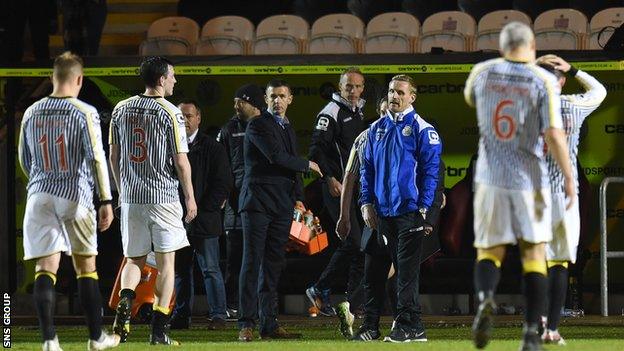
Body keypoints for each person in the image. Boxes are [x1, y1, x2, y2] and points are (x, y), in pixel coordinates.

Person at [464, 22, 575, 351]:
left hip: (490, 177)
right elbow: (554, 134)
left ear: (501, 46)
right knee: (533, 254)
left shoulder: (482, 72)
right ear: (532, 46)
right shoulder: (543, 80)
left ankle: (485, 299)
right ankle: (530, 334)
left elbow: (472, 99)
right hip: (530, 179)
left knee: (489, 251)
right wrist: (568, 176)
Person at [18, 51, 119, 350]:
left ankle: (49, 341)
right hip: (75, 195)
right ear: (79, 79)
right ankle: (96, 337)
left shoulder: (31, 112)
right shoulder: (84, 112)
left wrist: (39, 181)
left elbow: (25, 159)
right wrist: (105, 199)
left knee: (45, 268)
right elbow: (97, 159)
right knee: (85, 267)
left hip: (38, 194)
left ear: (52, 78)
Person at [109, 56, 197, 346]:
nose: (175, 80)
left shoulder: (120, 109)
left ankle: (125, 300)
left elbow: (115, 156)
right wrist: (190, 197)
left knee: (133, 259)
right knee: (166, 264)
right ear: (161, 79)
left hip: (132, 199)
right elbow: (181, 161)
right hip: (163, 198)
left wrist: (123, 190)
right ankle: (159, 331)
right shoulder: (170, 113)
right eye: (172, 76)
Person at [237, 81, 322, 342]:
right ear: (265, 98)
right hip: (257, 204)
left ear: (290, 99)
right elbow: (276, 157)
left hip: (282, 205)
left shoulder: (287, 127)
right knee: (252, 263)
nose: (277, 101)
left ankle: (269, 324)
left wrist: (298, 199)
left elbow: (290, 168)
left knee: (273, 265)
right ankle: (246, 324)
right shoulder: (258, 124)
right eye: (273, 96)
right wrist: (307, 163)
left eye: (282, 96)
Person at [360, 74, 442, 343]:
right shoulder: (376, 129)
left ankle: (405, 325)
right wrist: (367, 202)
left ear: (412, 97)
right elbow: (367, 170)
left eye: (400, 93)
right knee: (398, 270)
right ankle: (415, 327)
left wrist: (423, 209)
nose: (394, 96)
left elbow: (431, 174)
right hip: (384, 213)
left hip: (410, 212)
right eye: (392, 91)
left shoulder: (423, 129)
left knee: (405, 274)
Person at [535, 55, 606, 345]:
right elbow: (600, 91)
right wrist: (573, 69)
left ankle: (540, 323)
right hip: (564, 196)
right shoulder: (572, 105)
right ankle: (551, 327)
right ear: (562, 81)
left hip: (534, 195)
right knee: (560, 262)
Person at [307, 67, 367, 317]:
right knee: (353, 241)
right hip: (336, 187)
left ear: (363, 88)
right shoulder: (330, 112)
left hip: (354, 188)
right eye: (348, 87)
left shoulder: (358, 112)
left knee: (360, 247)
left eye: (357, 87)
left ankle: (353, 305)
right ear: (339, 88)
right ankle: (320, 288)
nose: (352, 91)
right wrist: (330, 178)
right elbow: (315, 150)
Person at [168, 99, 232, 330]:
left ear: (198, 118)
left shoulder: (213, 147)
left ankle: (218, 316)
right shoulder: (170, 145)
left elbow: (223, 182)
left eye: (188, 115)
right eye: (180, 115)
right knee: (180, 271)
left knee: (211, 269)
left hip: (205, 220)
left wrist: (202, 210)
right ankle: (181, 315)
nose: (184, 120)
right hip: (177, 221)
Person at [217, 87, 257, 319]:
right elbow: (222, 167)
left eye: (239, 102)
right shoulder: (229, 129)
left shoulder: (267, 125)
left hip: (259, 203)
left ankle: (256, 308)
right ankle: (231, 304)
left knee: (258, 261)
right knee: (234, 260)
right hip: (234, 206)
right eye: (234, 102)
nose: (235, 106)